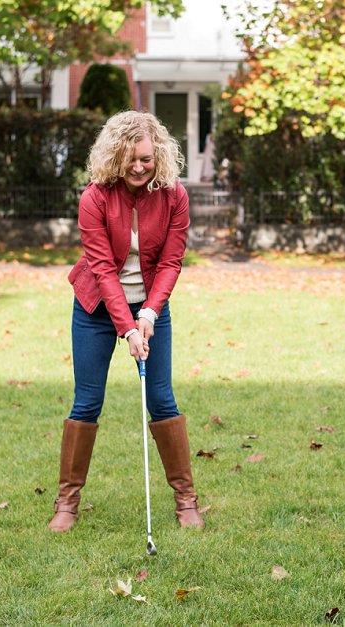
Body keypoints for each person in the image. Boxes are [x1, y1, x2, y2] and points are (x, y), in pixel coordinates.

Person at [48, 110, 204, 533]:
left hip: (151, 306)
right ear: (115, 156)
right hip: (96, 307)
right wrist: (128, 328)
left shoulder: (174, 196)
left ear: (159, 156)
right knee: (87, 402)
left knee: (162, 400)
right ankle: (66, 503)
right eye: (130, 159)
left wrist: (149, 313)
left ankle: (187, 501)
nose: (138, 167)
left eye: (147, 159)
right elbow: (101, 269)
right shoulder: (95, 198)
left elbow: (172, 260)